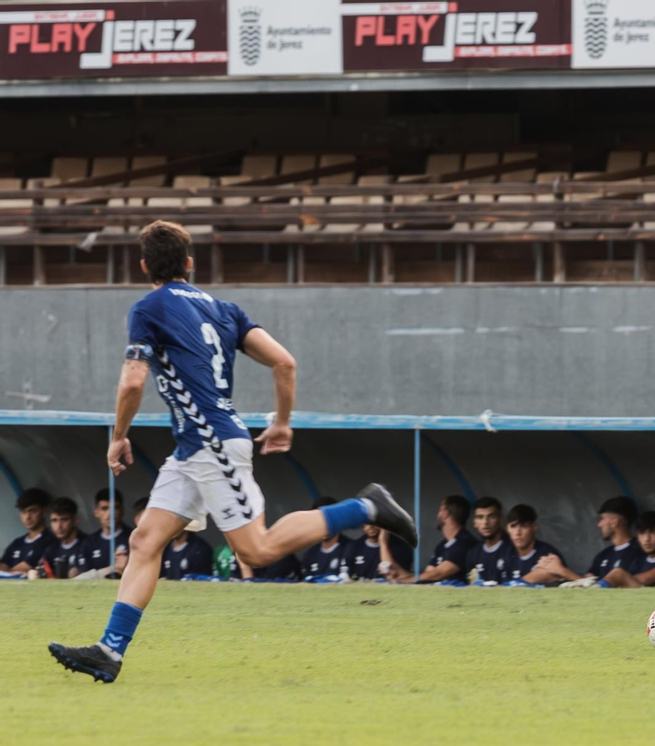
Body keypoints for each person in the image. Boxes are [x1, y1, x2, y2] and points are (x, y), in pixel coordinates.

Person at [47, 220, 417, 683]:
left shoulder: (147, 308)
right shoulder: (225, 310)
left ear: (144, 266)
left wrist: (119, 435)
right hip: (193, 449)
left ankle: (368, 505)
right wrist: (282, 421)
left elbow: (133, 380)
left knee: (257, 550)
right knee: (144, 541)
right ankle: (109, 651)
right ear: (189, 263)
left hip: (211, 444)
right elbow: (284, 361)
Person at [535, 496, 647, 587]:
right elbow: (588, 583)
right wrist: (555, 569)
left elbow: (631, 584)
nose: (599, 524)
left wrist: (562, 570)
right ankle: (520, 584)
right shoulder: (603, 555)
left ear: (614, 522)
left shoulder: (640, 550)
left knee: (618, 573)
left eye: (602, 519)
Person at [395, 495, 475, 584]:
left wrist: (404, 581)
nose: (437, 515)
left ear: (445, 513)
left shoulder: (465, 542)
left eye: (440, 510)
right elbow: (428, 573)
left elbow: (438, 574)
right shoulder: (442, 545)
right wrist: (398, 576)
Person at [602, 510, 655, 588]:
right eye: (642, 533)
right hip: (637, 600)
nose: (647, 539)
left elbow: (646, 579)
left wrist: (620, 578)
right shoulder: (638, 559)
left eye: (653, 532)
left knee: (618, 573)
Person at [503, 504, 564, 584]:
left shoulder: (548, 554)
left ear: (534, 527)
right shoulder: (507, 553)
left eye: (523, 526)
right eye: (513, 526)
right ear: (507, 528)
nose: (517, 532)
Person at [77, 487, 131, 578]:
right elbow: (84, 577)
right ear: (96, 512)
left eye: (115, 508)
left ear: (122, 510)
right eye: (104, 508)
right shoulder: (89, 542)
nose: (110, 514)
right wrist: (111, 569)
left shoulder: (133, 538)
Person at [1, 487, 56, 575]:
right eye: (23, 512)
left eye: (32, 511)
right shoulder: (17, 543)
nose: (27, 517)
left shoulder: (51, 539)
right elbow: (2, 566)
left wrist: (8, 573)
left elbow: (25, 568)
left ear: (44, 510)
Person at [463, 496, 515, 584]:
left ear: (500, 519)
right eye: (480, 517)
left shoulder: (514, 548)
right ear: (474, 523)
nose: (485, 522)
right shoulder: (473, 554)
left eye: (491, 517)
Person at [301, 497, 351, 580]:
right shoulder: (309, 555)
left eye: (327, 520)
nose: (322, 525)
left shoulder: (352, 549)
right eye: (318, 521)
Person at [345, 523, 413, 582]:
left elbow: (399, 576)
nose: (371, 526)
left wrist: (383, 542)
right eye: (367, 523)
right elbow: (347, 575)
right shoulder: (354, 547)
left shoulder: (401, 547)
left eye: (376, 522)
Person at [44, 497, 86, 579]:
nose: (59, 526)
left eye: (64, 520)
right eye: (54, 520)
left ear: (75, 520)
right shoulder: (52, 547)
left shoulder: (87, 544)